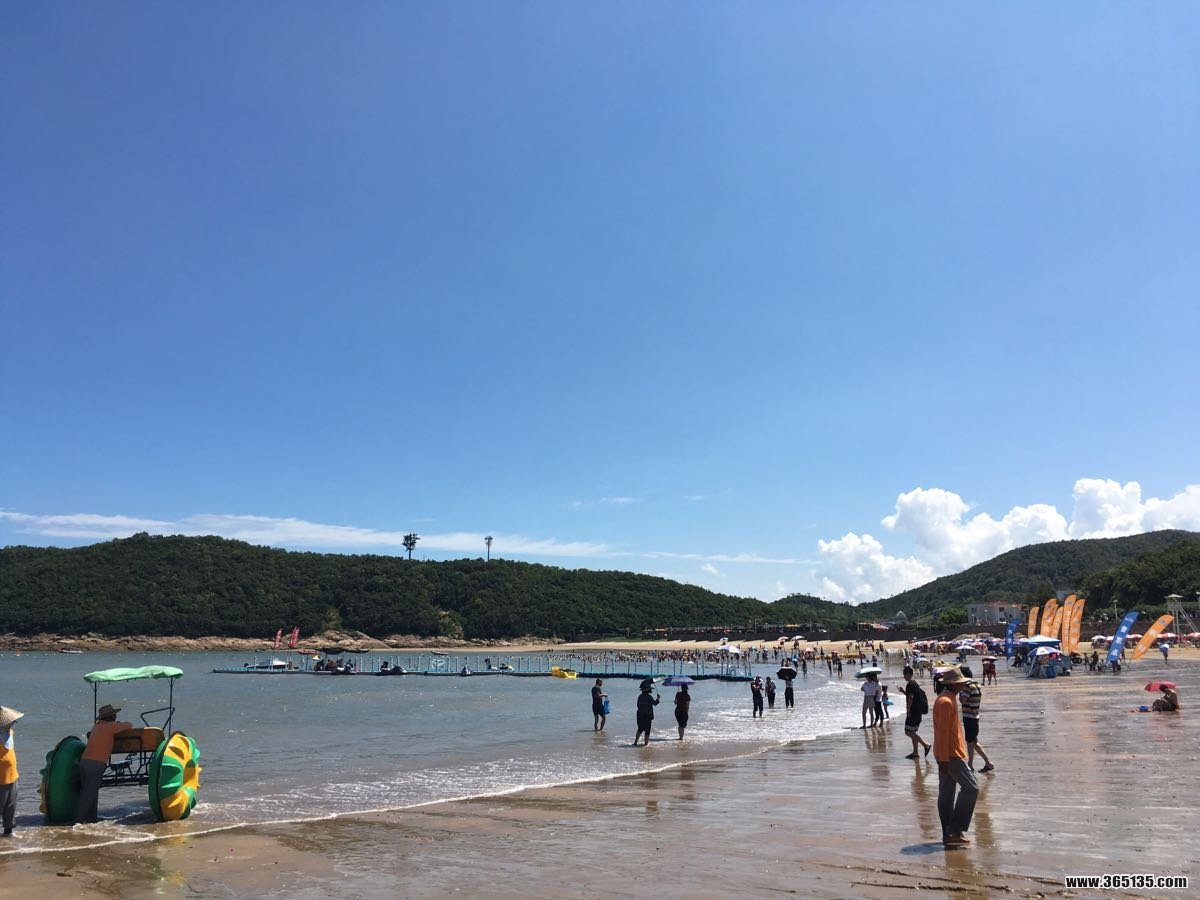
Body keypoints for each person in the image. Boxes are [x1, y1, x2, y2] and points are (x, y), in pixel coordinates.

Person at [932, 667, 979, 848]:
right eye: (960, 683)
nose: (962, 685)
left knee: (946, 793)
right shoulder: (945, 702)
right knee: (971, 788)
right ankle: (955, 828)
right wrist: (944, 759)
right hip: (949, 754)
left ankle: (949, 834)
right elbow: (943, 733)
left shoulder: (947, 699)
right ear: (953, 684)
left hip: (948, 752)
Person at [77, 704, 133, 824]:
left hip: (84, 761)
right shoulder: (111, 726)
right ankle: (78, 821)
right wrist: (118, 723)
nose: (115, 716)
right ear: (110, 717)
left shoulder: (96, 726)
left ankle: (91, 819)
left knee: (90, 791)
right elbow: (129, 725)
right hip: (96, 763)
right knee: (89, 793)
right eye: (114, 714)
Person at [957, 667, 994, 773]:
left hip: (969, 717)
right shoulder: (976, 684)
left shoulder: (967, 686)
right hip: (974, 716)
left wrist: (960, 692)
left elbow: (963, 700)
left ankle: (988, 762)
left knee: (972, 742)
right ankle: (970, 764)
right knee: (971, 741)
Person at [900, 666, 932, 760]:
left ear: (908, 674)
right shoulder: (914, 684)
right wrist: (903, 692)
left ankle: (925, 745)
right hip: (917, 712)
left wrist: (908, 710)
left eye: (904, 674)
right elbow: (913, 696)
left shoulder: (910, 684)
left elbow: (911, 698)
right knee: (912, 732)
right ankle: (915, 753)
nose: (904, 676)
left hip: (913, 712)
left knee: (908, 732)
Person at [0, 706, 22, 838]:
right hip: (0, 780)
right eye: (11, 722)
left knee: (11, 806)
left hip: (13, 776)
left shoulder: (10, 733)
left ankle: (8, 832)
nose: (13, 723)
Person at [633, 680, 660, 746]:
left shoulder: (640, 696)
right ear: (648, 690)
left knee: (640, 729)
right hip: (647, 716)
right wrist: (658, 699)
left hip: (639, 715)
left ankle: (635, 742)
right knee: (647, 731)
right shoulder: (649, 697)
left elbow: (638, 705)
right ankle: (646, 744)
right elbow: (655, 703)